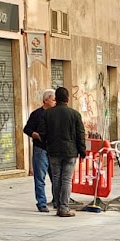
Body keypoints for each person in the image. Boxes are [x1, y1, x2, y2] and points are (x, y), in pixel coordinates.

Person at [43, 86, 88, 217]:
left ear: (56, 99)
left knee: (56, 178)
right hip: (70, 152)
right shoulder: (74, 114)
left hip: (53, 151)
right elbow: (80, 134)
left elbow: (43, 133)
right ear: (68, 99)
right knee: (66, 179)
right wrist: (82, 151)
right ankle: (64, 207)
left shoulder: (48, 114)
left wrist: (47, 145)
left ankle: (58, 205)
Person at [23, 90, 55, 212]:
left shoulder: (55, 114)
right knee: (40, 178)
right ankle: (41, 202)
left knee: (55, 178)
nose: (55, 102)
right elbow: (27, 129)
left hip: (53, 150)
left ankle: (56, 200)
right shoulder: (36, 114)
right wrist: (34, 134)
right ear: (46, 100)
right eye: (53, 100)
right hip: (40, 149)